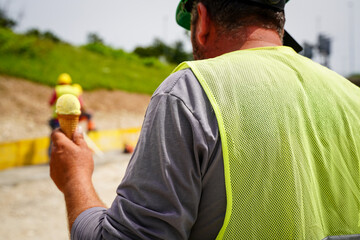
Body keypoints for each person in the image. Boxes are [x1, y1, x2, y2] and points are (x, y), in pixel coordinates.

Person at [50, 0, 360, 239]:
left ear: (203, 20)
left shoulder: (189, 92)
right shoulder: (352, 98)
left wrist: (74, 178)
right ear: (277, 21)